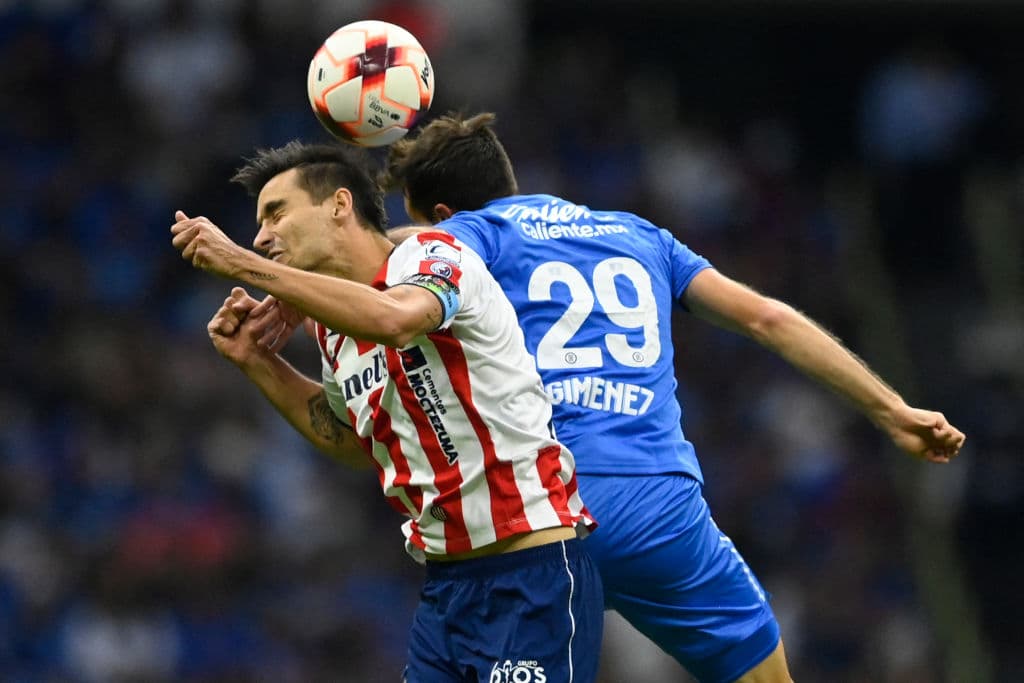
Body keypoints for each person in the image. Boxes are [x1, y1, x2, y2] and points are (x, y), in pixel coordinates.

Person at [376, 112, 967, 683]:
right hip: (662, 509)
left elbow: (394, 253)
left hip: (546, 512)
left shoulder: (471, 238)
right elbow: (767, 318)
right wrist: (893, 409)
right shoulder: (639, 234)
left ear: (443, 215)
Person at [169, 140, 604, 683]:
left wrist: (241, 264)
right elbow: (353, 442)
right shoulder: (332, 327)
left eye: (276, 213)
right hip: (446, 589)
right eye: (257, 226)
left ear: (339, 205)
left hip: (531, 571)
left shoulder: (432, 256)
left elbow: (397, 318)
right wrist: (258, 363)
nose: (260, 236)